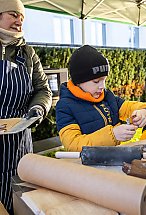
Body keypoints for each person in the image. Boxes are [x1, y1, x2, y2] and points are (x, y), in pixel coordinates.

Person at [0, 0, 52, 214]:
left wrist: (39, 108)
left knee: (20, 198)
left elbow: (43, 89)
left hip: (19, 142)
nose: (19, 21)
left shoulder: (27, 53)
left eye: (22, 17)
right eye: (13, 14)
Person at [56, 45, 146, 152]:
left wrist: (145, 111)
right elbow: (72, 145)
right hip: (85, 166)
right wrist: (112, 135)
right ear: (79, 81)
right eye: (96, 81)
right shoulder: (65, 106)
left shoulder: (107, 96)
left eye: (104, 80)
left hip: (112, 159)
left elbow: (129, 107)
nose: (102, 86)